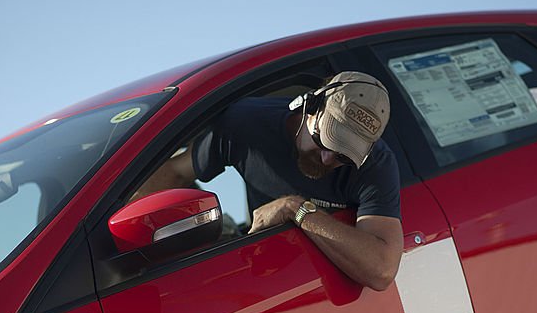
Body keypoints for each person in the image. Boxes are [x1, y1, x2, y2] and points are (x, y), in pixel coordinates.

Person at [135, 72, 403, 291]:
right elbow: (176, 172)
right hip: (256, 276)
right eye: (324, 140)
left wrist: (295, 209)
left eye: (343, 155)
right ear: (310, 107)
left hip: (317, 290)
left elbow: (381, 270)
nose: (325, 157)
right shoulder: (246, 123)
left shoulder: (376, 165)